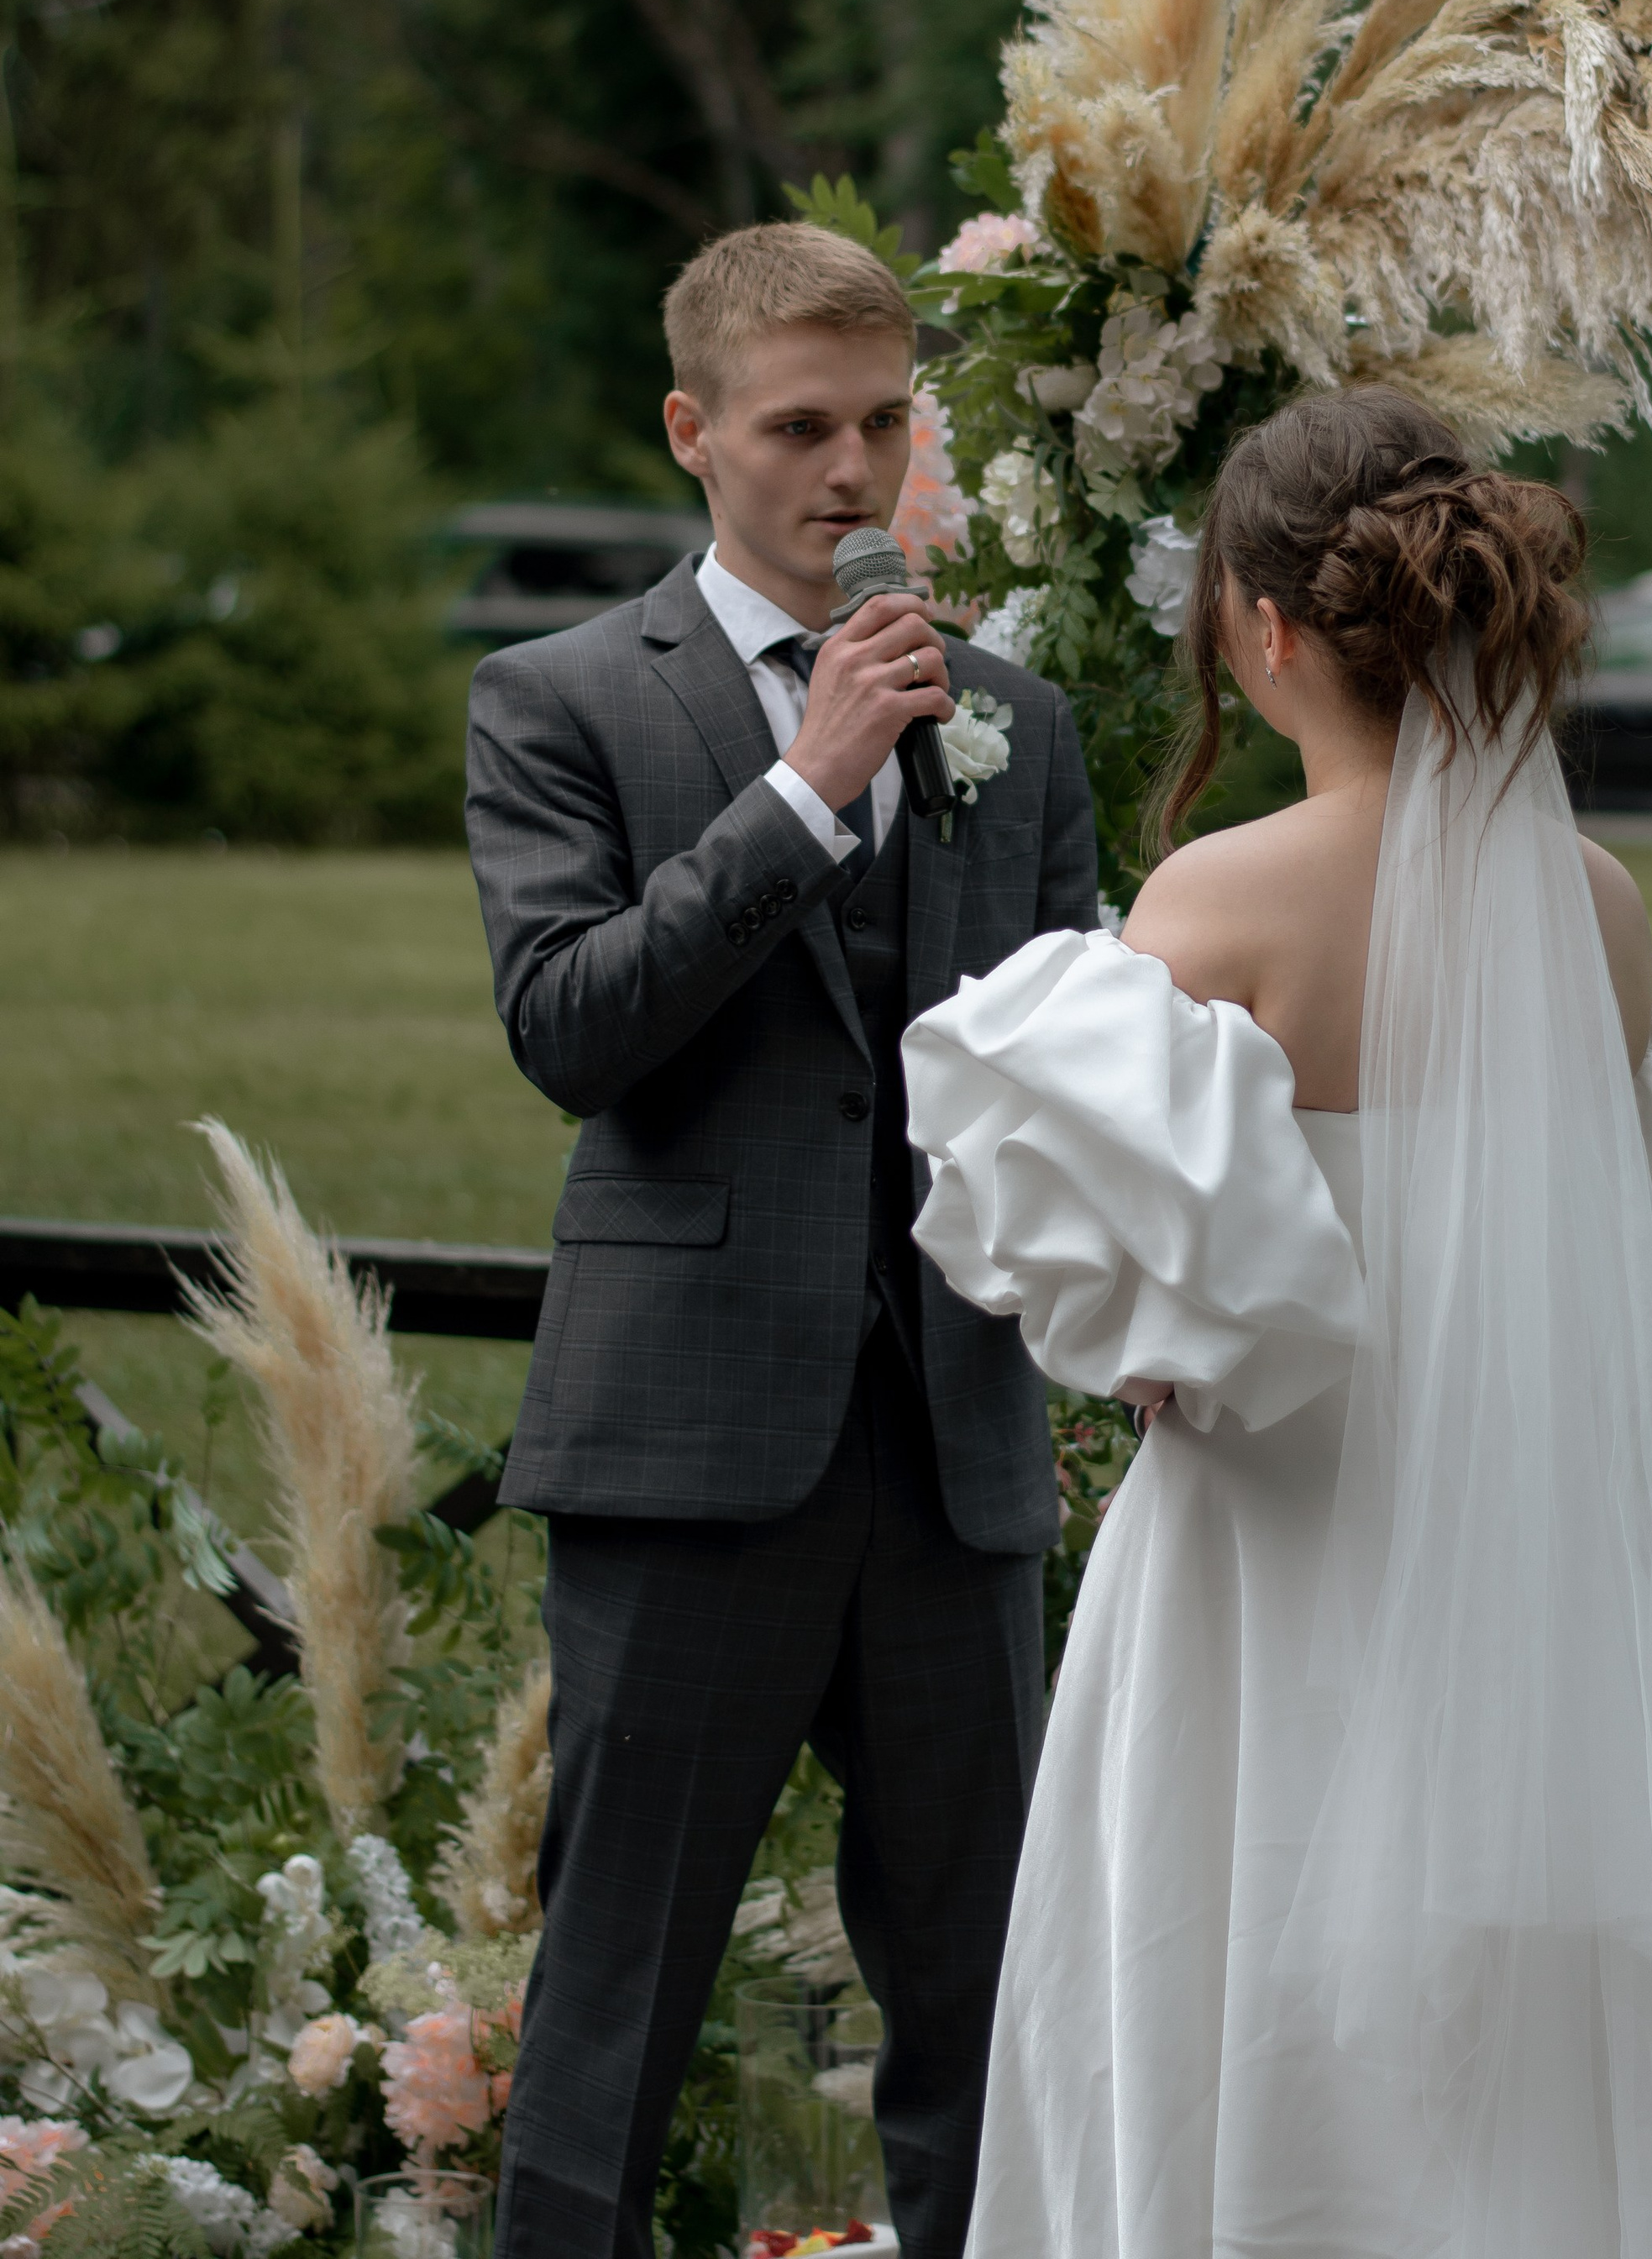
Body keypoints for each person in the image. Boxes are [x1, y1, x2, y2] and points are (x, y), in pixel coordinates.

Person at [904, 386, 1652, 2259]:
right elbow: (1646, 1271)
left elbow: (1121, 1297)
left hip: (1265, 1572)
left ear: (1261, 629)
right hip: (1523, 1573)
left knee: (1220, 1966)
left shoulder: (1217, 899)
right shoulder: (1589, 909)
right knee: (1535, 2024)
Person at [466, 221, 1099, 2259]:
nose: (852, 471)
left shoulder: (1013, 724)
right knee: (616, 1997)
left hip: (951, 1451)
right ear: (692, 432)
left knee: (987, 1995)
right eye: (798, 426)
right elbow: (570, 1031)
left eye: (886, 422)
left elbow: (1078, 1068)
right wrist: (807, 786)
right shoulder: (563, 702)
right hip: (688, 1450)